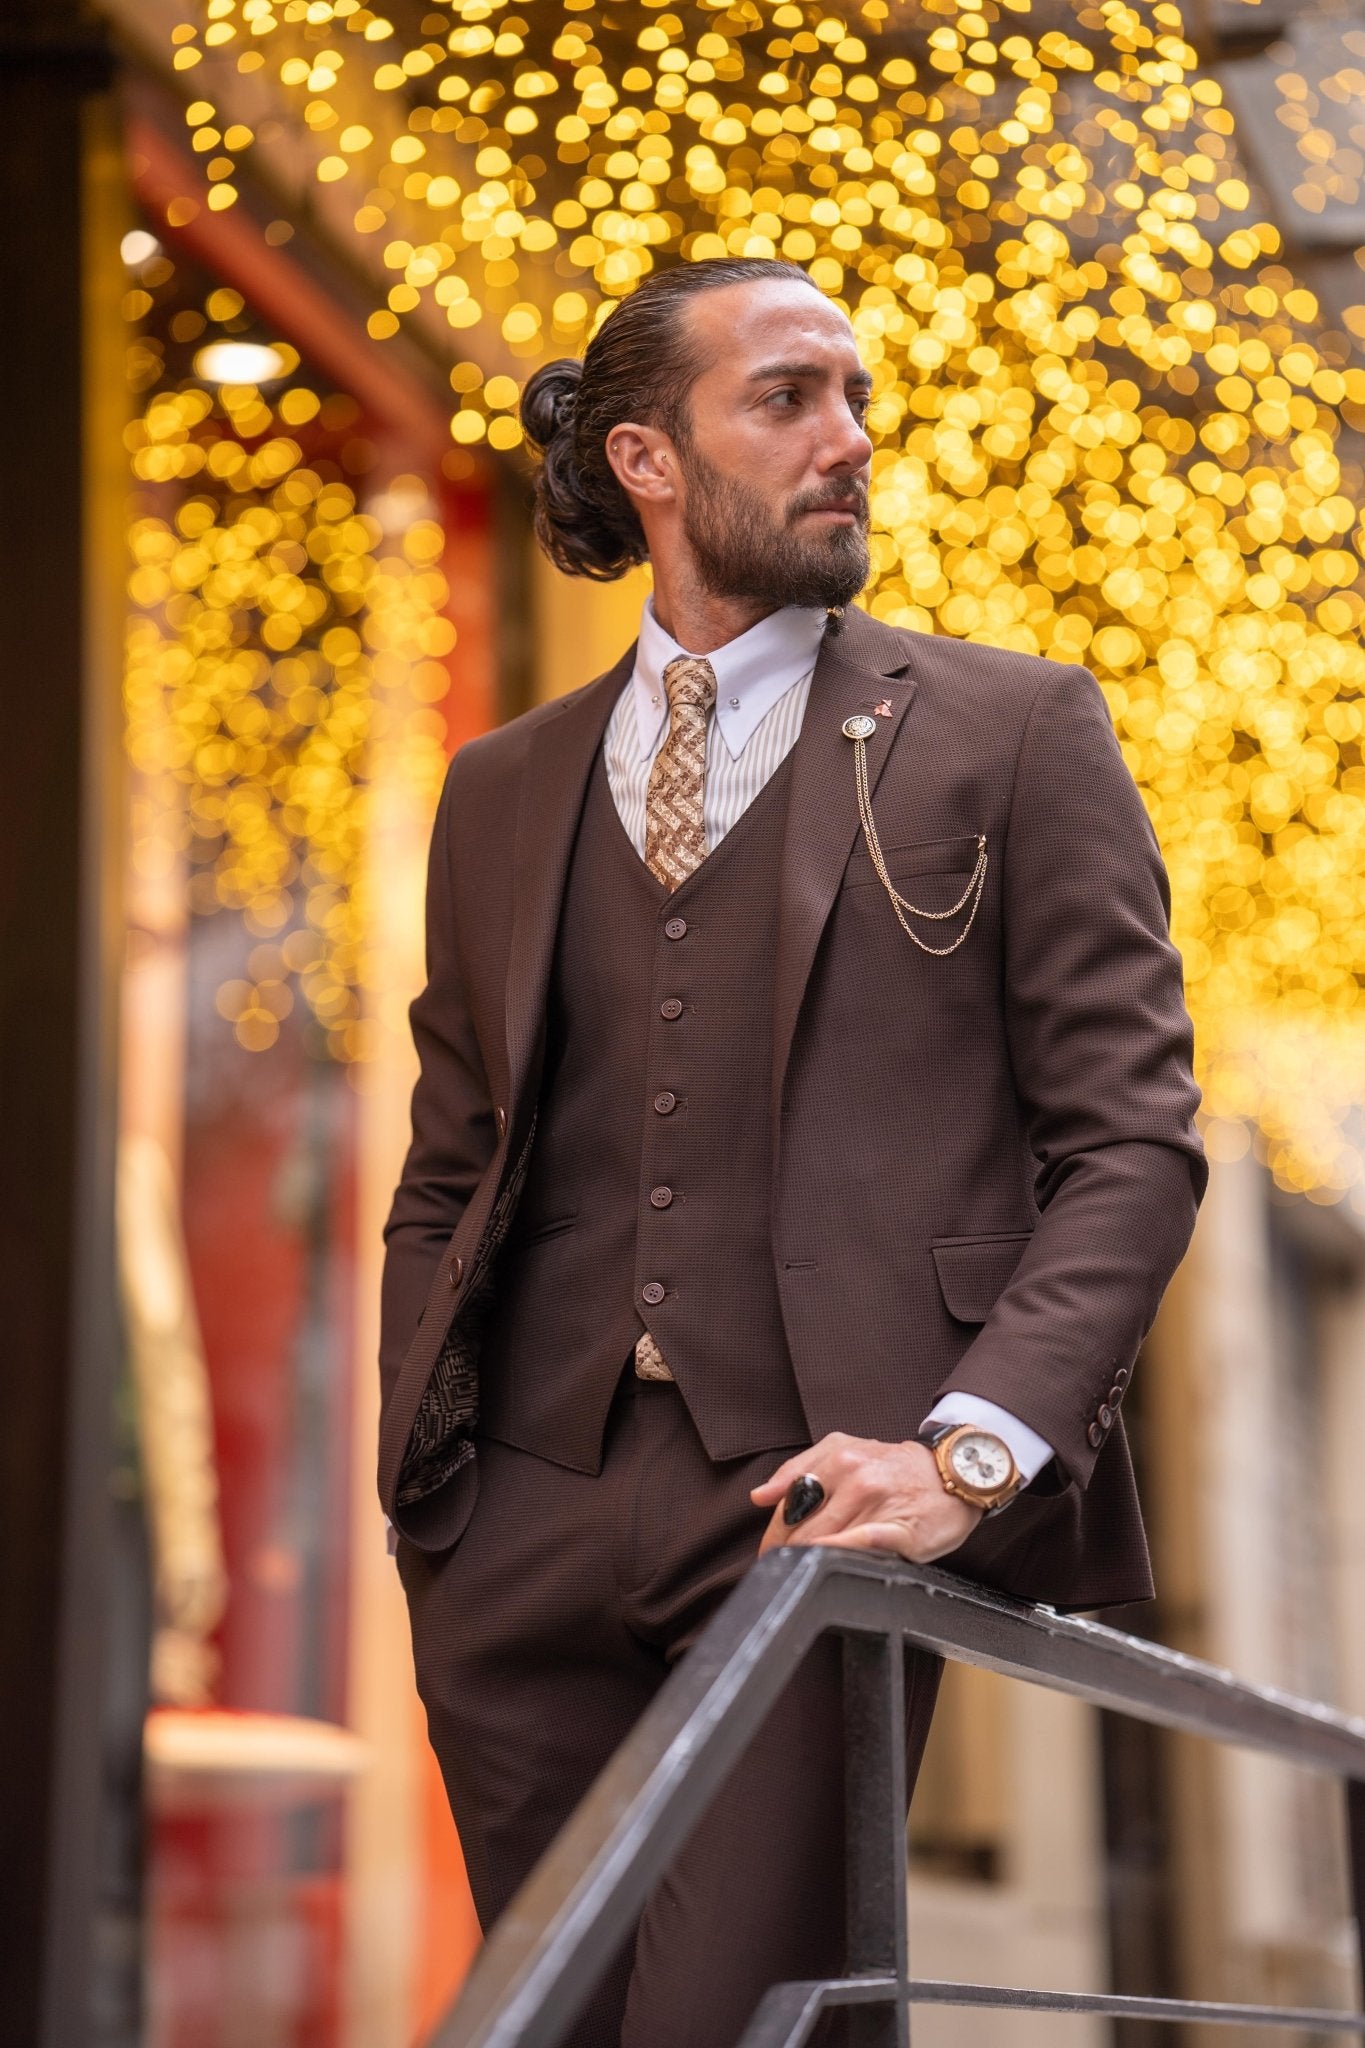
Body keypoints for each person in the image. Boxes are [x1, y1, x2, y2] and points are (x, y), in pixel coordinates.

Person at [378, 257, 1205, 2047]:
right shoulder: (501, 788)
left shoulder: (1008, 728)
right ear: (647, 460)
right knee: (551, 2021)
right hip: (519, 1513)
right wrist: (423, 1477)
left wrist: (966, 1455)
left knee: (737, 2020)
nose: (848, 442)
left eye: (854, 400)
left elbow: (1130, 1142)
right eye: (786, 399)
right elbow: (453, 1160)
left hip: (816, 1506)